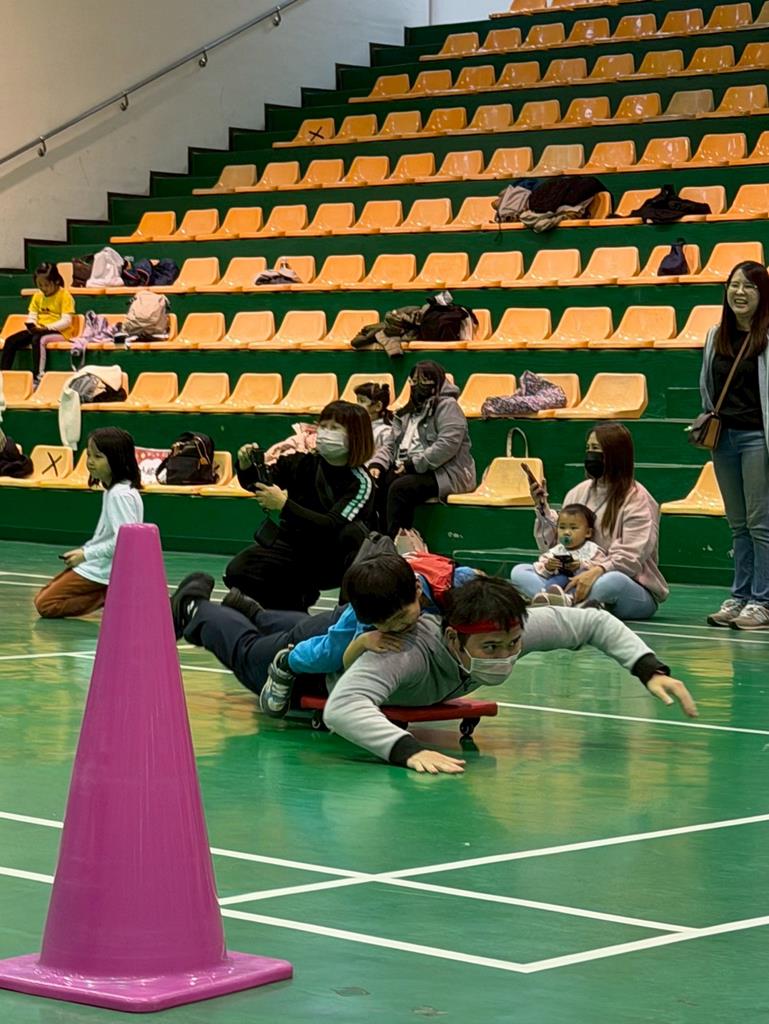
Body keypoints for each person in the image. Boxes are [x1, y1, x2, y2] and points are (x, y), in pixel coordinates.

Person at [170, 564, 697, 774]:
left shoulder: (501, 623)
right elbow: (344, 708)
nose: (506, 654)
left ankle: (251, 608)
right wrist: (406, 749)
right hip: (321, 659)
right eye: (492, 647)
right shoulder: (403, 650)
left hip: (349, 622)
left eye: (512, 644)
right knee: (251, 654)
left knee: (286, 624)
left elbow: (592, 623)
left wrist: (649, 667)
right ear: (453, 638)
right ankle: (197, 610)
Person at [223, 400, 376, 611]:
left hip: (331, 557)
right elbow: (259, 483)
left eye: (335, 428)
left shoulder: (360, 482)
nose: (326, 432)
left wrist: (284, 505)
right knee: (239, 571)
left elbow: (331, 524)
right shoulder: (301, 462)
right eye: (323, 426)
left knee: (352, 534)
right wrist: (247, 466)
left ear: (355, 436)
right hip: (293, 546)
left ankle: (345, 616)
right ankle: (293, 607)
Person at [512, 423, 667, 621]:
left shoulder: (638, 499)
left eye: (596, 449)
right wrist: (541, 507)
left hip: (628, 585)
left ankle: (558, 602)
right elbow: (559, 544)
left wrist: (596, 571)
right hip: (570, 579)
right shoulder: (577, 492)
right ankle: (572, 603)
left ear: (615, 454)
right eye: (588, 448)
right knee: (519, 572)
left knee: (611, 581)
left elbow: (631, 557)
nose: (590, 455)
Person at [700, 260, 769, 630]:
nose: (740, 293)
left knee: (760, 524)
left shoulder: (767, 338)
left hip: (758, 438)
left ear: (763, 294)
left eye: (750, 287)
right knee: (738, 524)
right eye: (734, 285)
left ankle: (763, 600)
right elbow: (707, 385)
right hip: (723, 439)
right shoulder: (716, 335)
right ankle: (740, 596)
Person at [34, 427, 143, 618]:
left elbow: (123, 541)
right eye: (89, 455)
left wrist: (86, 555)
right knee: (43, 597)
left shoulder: (119, 495)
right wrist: (84, 552)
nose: (90, 462)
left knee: (46, 604)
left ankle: (113, 595)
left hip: (105, 570)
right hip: (98, 565)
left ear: (117, 459)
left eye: (98, 457)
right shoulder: (114, 491)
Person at [369, 360, 476, 537]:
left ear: (437, 383)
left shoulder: (448, 407)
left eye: (425, 381)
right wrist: (377, 464)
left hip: (446, 472)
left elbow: (447, 445)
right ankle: (378, 537)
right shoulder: (406, 412)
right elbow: (390, 445)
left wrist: (413, 465)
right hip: (409, 467)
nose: (418, 386)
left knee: (401, 488)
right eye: (414, 381)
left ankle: (397, 540)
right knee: (377, 481)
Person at [511, 504, 604, 607]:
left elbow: (601, 567)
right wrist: (548, 567)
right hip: (556, 582)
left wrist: (581, 565)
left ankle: (566, 600)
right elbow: (542, 565)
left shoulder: (593, 550)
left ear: (588, 532)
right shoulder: (558, 549)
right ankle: (547, 596)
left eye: (573, 528)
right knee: (519, 570)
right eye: (562, 528)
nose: (566, 532)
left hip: (579, 587)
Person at [1, 263, 75, 384]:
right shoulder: (37, 296)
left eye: (46, 285)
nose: (43, 288)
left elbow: (66, 321)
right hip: (39, 329)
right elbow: (32, 315)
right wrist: (32, 324)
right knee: (11, 341)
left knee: (38, 339)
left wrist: (47, 327)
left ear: (56, 281)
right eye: (40, 285)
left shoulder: (65, 296)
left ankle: (38, 377)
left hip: (60, 332)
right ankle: (3, 375)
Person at [353, 380, 394, 463]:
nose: (357, 405)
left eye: (362, 401)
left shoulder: (385, 432)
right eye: (357, 401)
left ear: (378, 406)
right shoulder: (357, 428)